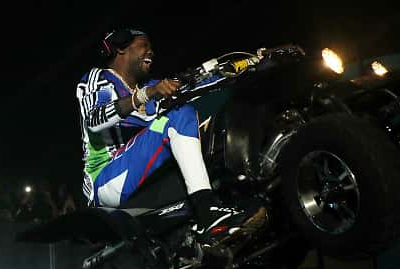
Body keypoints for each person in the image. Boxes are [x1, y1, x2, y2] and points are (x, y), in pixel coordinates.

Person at [76, 28, 265, 247]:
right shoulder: (98, 78)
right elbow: (95, 120)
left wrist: (253, 64)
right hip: (105, 181)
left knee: (201, 121)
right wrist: (144, 95)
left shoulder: (150, 87)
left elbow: (199, 86)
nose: (151, 51)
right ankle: (207, 214)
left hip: (142, 176)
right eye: (144, 45)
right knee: (178, 115)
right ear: (121, 49)